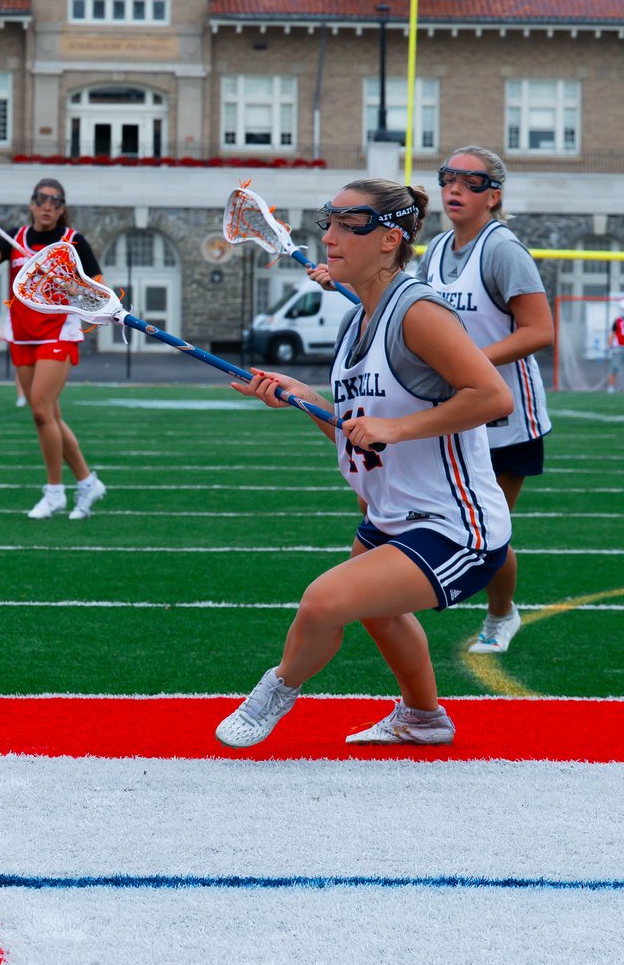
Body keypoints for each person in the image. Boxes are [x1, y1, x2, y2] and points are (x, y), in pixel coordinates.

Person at [221, 178, 516, 749]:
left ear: (388, 240)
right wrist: (300, 396)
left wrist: (398, 428)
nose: (328, 238)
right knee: (377, 609)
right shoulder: (357, 320)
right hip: (394, 515)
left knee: (325, 601)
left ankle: (276, 692)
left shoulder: (417, 311)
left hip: (457, 526)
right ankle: (424, 719)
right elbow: (357, 425)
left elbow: (492, 397)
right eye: (326, 223)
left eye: (346, 225)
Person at [412, 146, 554, 655]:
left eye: (471, 182)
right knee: (444, 514)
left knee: (490, 529)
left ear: (493, 195)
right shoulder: (437, 249)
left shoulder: (502, 249)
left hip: (506, 416)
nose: (454, 188)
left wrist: (471, 362)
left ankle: (501, 613)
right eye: (448, 178)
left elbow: (540, 330)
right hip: (456, 410)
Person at [0, 177, 106, 519]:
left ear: (62, 208)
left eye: (55, 201)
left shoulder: (72, 242)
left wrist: (72, 286)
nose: (48, 206)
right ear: (32, 203)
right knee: (52, 417)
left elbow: (99, 292)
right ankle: (88, 482)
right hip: (22, 333)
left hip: (57, 333)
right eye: (42, 199)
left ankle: (54, 490)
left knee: (41, 412)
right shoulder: (13, 238)